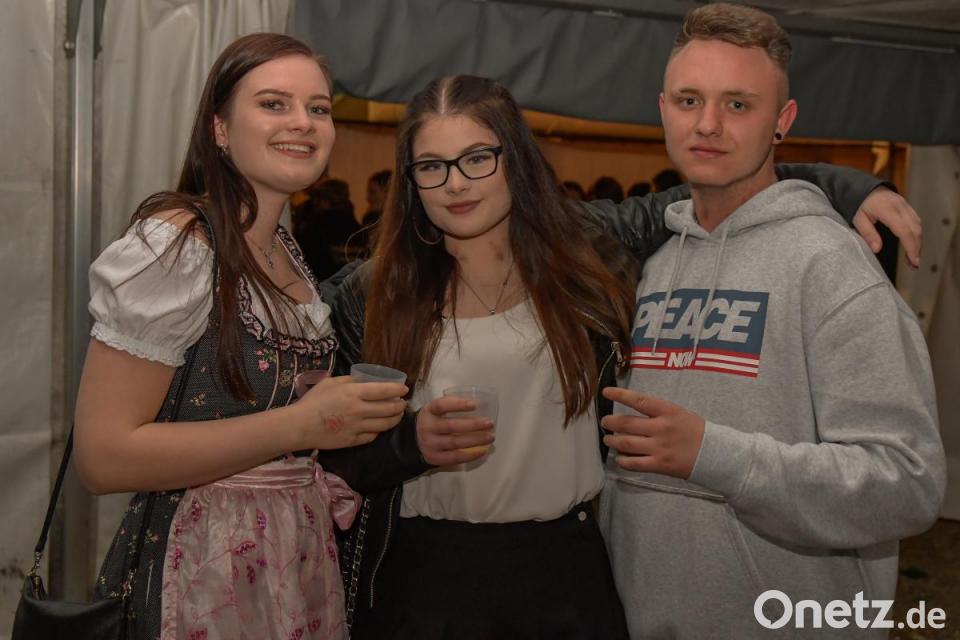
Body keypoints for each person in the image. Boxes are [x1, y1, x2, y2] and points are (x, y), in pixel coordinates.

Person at [328, 74, 924, 638]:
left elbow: (719, 184)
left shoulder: (584, 248)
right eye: (432, 166)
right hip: (425, 579)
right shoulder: (374, 293)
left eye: (477, 158)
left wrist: (848, 186)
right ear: (412, 180)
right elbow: (337, 459)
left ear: (516, 160)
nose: (456, 183)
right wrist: (411, 443)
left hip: (565, 569)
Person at [597, 5, 946, 638]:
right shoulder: (654, 264)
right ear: (663, 110)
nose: (708, 124)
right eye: (689, 100)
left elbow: (907, 484)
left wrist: (715, 455)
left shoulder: (831, 267)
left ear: (782, 121)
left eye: (738, 105)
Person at [74, 33, 412, 640]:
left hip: (291, 558)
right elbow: (103, 457)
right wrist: (300, 426)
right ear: (220, 129)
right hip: (198, 569)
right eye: (274, 103)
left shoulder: (284, 248)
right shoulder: (176, 245)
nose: (303, 122)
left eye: (318, 108)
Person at [295, 178, 362, 280]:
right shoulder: (357, 227)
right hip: (351, 283)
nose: (315, 203)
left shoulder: (317, 228)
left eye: (318, 199)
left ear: (325, 201)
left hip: (324, 283)